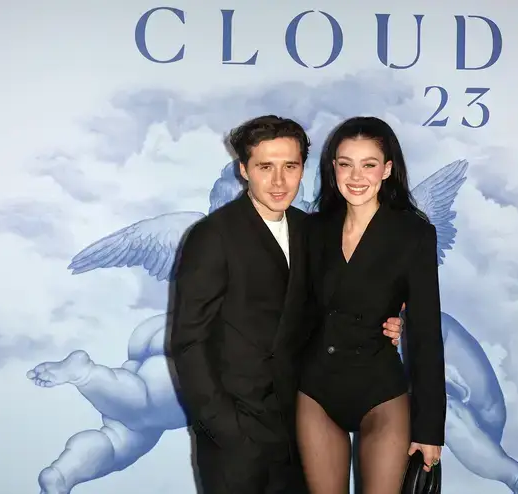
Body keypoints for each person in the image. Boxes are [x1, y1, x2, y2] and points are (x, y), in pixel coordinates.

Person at [169, 115, 405, 494]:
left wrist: (387, 322)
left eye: (290, 167)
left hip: (300, 432)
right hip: (238, 439)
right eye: (265, 167)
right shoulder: (212, 237)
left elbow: (332, 309)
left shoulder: (311, 230)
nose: (279, 181)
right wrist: (225, 429)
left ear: (302, 169)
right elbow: (188, 342)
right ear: (244, 170)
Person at [296, 116, 447, 493]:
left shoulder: (414, 235)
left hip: (380, 391)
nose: (356, 176)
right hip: (316, 391)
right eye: (346, 164)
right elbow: (294, 315)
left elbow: (426, 334)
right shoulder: (310, 231)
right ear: (333, 168)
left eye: (369, 164)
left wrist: (430, 430)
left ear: (387, 169)